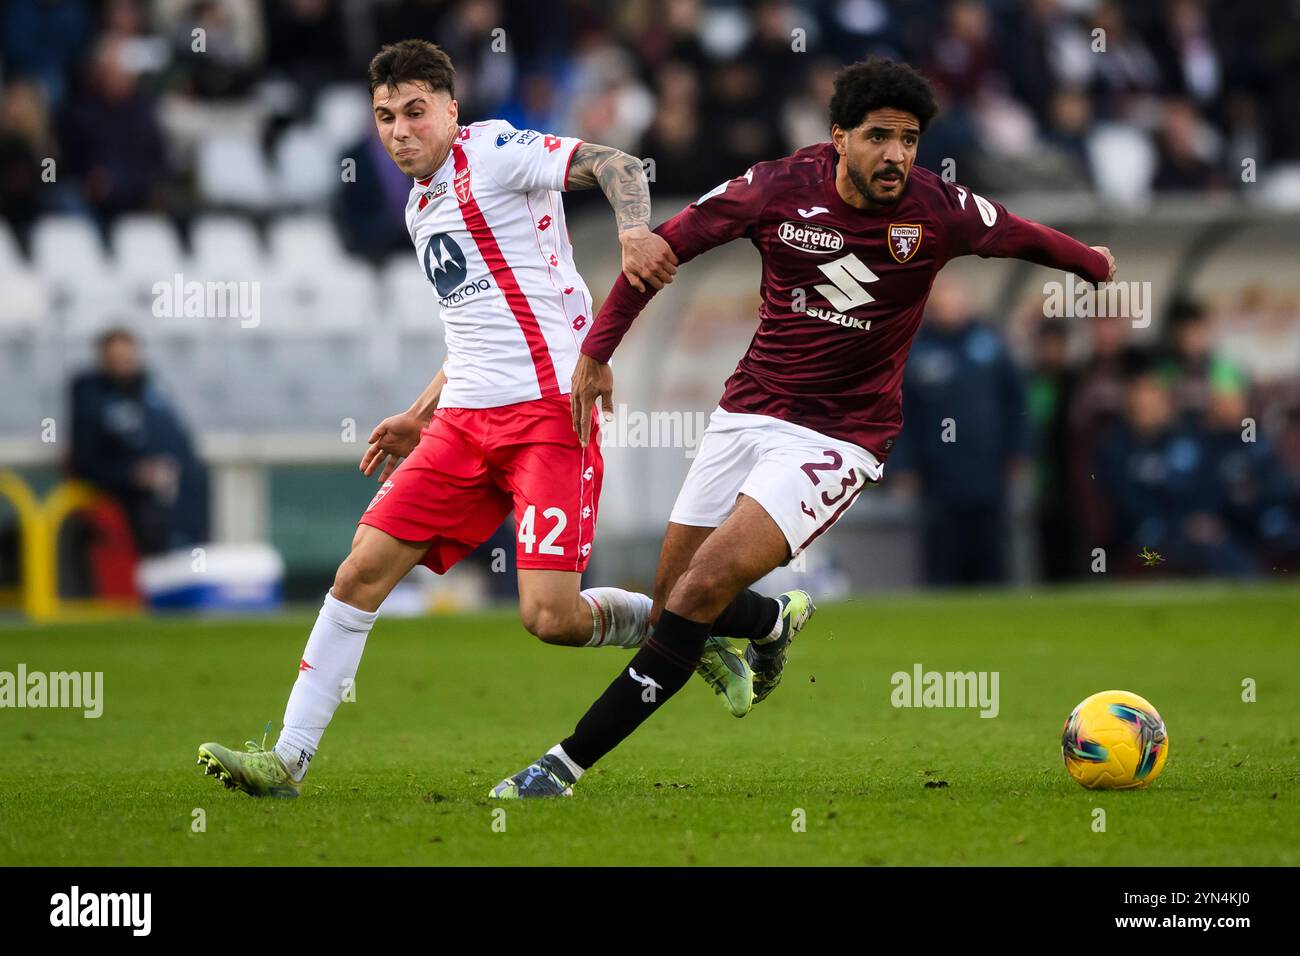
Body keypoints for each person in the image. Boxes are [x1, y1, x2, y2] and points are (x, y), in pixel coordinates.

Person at [492, 56, 1115, 799]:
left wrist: (1093, 265)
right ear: (838, 137)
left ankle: (561, 766)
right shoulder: (775, 188)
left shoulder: (937, 207)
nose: (896, 155)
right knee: (670, 604)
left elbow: (1018, 234)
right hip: (747, 410)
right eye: (879, 136)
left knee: (696, 595)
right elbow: (659, 251)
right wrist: (596, 354)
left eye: (910, 140)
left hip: (841, 437)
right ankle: (769, 622)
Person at [196, 39, 764, 799]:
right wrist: (418, 413)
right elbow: (472, 328)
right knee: (360, 569)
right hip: (462, 424)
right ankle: (288, 760)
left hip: (548, 419)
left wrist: (634, 230)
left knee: (549, 617)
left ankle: (689, 634)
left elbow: (618, 164)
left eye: (415, 112)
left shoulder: (493, 150)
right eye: (385, 117)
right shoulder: (417, 204)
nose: (399, 130)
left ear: (450, 110)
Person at [888, 274, 1028, 586]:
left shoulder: (991, 344)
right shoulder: (916, 351)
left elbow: (1016, 400)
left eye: (955, 298)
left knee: (991, 558)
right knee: (943, 562)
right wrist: (903, 465)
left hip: (988, 472)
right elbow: (900, 412)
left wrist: (1018, 450)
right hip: (938, 477)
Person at [70, 327, 209, 556]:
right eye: (115, 359)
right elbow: (86, 463)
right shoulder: (92, 400)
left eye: (127, 358)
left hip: (185, 513)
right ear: (103, 361)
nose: (122, 365)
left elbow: (181, 443)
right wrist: (134, 475)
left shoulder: (154, 393)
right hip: (140, 521)